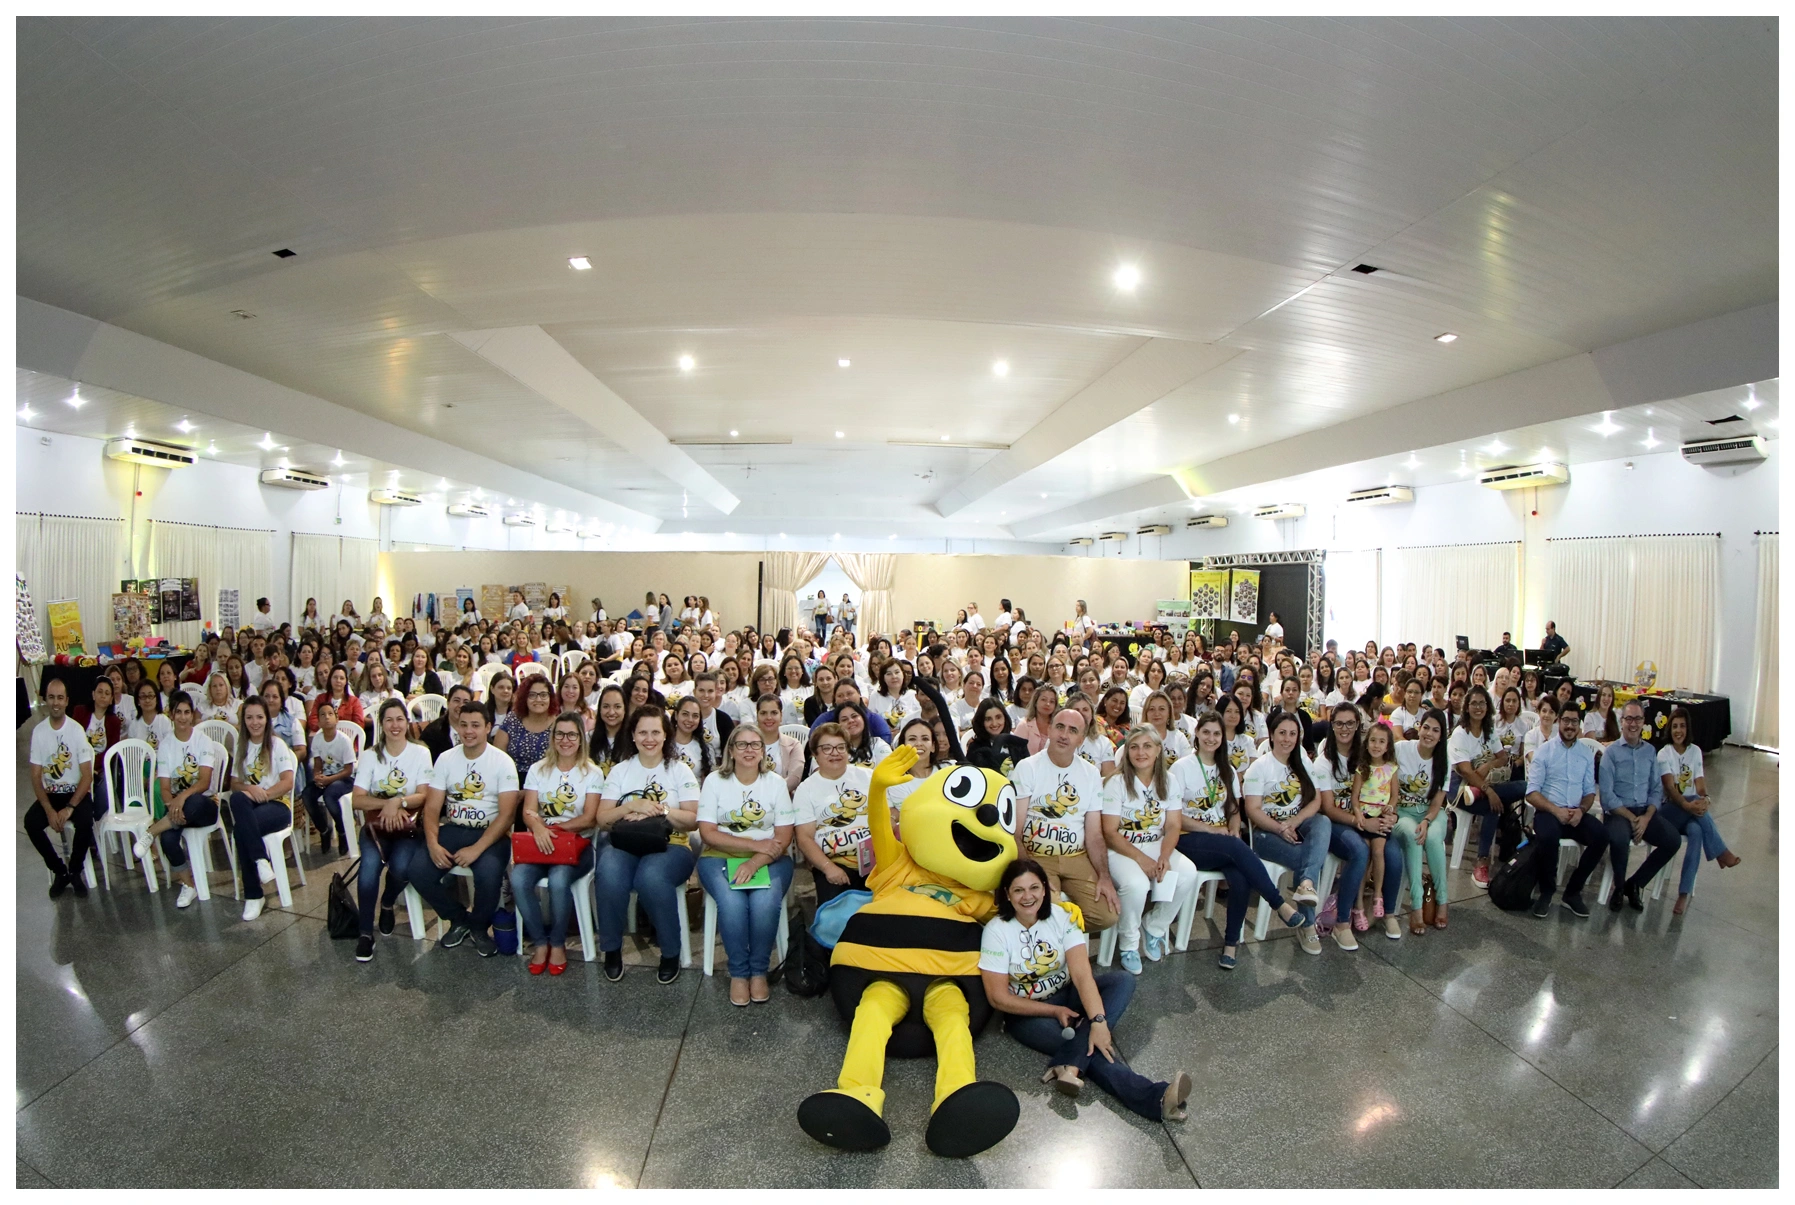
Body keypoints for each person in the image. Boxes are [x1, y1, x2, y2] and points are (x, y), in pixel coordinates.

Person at [980, 859, 1193, 1121]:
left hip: (1068, 994)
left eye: (1034, 887)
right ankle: (1156, 1099)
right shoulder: (996, 931)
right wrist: (1054, 1011)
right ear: (1006, 894)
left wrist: (1099, 1021)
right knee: (1095, 1052)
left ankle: (1070, 1065)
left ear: (1045, 889)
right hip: (1027, 1013)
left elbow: (1082, 975)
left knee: (1122, 982)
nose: (1028, 897)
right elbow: (998, 998)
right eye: (1018, 890)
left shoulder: (1061, 916)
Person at [403, 700, 521, 956]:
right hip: (454, 828)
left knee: (488, 875)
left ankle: (479, 927)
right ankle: (459, 919)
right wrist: (433, 844)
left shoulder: (502, 762)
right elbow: (432, 809)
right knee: (418, 871)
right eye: (463, 725)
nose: (468, 731)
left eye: (475, 725)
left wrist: (477, 849)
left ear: (488, 727)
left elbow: (507, 815)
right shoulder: (446, 759)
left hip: (491, 833)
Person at [594, 706, 701, 983]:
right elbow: (602, 819)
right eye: (642, 732)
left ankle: (670, 951)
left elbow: (693, 820)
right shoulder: (620, 770)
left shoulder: (680, 771)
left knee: (651, 878)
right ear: (633, 735)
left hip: (672, 844)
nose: (649, 739)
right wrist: (633, 805)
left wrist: (660, 810)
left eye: (656, 732)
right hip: (625, 842)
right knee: (608, 871)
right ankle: (611, 949)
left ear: (666, 735)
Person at [697, 726, 797, 1005]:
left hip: (771, 858)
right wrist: (755, 845)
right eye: (742, 744)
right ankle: (739, 973)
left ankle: (758, 971)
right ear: (731, 750)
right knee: (732, 903)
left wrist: (755, 862)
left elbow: (783, 838)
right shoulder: (714, 781)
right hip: (718, 856)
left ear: (764, 751)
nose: (749, 750)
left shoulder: (775, 783)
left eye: (756, 744)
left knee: (764, 903)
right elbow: (708, 833)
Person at [1009, 708, 1119, 933]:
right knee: (1044, 909)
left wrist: (1104, 877)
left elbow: (1094, 835)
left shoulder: (1090, 774)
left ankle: (1056, 934)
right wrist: (1030, 871)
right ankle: (1057, 940)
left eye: (1073, 730)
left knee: (1107, 915)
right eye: (1060, 727)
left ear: (1081, 739)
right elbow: (1015, 832)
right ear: (1049, 729)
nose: (1064, 735)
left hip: (1076, 857)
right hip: (1036, 856)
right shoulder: (1027, 767)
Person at [512, 712, 605, 975]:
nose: (565, 740)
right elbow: (529, 811)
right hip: (540, 844)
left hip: (577, 845)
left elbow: (589, 818)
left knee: (559, 880)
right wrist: (538, 828)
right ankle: (540, 942)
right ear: (552, 738)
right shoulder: (538, 769)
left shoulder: (592, 773)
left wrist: (553, 829)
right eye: (560, 734)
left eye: (572, 735)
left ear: (581, 739)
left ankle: (557, 943)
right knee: (518, 879)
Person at [1101, 726, 1198, 974]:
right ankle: (1129, 943)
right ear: (1126, 752)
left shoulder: (1169, 780)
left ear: (1158, 750)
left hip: (1155, 843)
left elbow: (1173, 825)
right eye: (1134, 747)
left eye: (1147, 746)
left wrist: (1164, 856)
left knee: (1187, 872)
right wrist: (1142, 859)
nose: (1140, 752)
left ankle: (1154, 925)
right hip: (1121, 847)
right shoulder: (1116, 782)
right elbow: (1109, 832)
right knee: (1137, 885)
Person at [348, 698, 433, 961]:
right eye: (389, 720)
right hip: (376, 826)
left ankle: (387, 902)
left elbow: (424, 794)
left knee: (401, 867)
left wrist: (398, 803)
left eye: (399, 719)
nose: (395, 725)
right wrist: (386, 805)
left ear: (407, 722)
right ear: (382, 724)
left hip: (408, 827)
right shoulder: (370, 755)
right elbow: (357, 799)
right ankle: (365, 933)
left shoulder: (420, 753)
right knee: (368, 871)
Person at [1241, 711, 1327, 955]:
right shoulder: (1259, 767)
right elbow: (1252, 810)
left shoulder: (1303, 762)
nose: (1287, 739)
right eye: (1282, 733)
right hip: (1265, 832)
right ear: (1271, 735)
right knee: (1306, 859)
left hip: (1295, 824)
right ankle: (1308, 925)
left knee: (1322, 822)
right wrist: (1280, 827)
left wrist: (1293, 821)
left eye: (1292, 734)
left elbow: (1316, 800)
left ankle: (1306, 884)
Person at [1655, 707, 1742, 915]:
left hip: (1691, 811)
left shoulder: (1695, 751)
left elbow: (1700, 783)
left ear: (1688, 729)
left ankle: (1683, 893)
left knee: (1696, 832)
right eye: (1675, 726)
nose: (1678, 731)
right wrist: (1689, 804)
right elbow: (1670, 788)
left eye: (1682, 726)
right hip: (1669, 811)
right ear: (1669, 729)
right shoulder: (1663, 753)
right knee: (1693, 801)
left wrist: (1705, 799)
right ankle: (1721, 853)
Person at [1524, 705, 1607, 919]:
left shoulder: (1585, 754)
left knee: (1601, 836)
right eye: (1566, 720)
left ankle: (1572, 892)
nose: (1570, 726)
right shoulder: (1545, 751)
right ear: (1559, 721)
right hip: (1549, 811)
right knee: (1548, 837)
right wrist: (1555, 810)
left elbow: (1589, 792)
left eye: (1574, 721)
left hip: (1575, 813)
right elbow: (1531, 793)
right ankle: (1546, 892)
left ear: (1579, 725)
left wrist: (1581, 810)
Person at [137, 694, 218, 910]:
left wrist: (181, 798)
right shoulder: (165, 745)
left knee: (194, 802)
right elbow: (164, 788)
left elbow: (204, 782)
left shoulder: (203, 741)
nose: (183, 717)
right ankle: (188, 885)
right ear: (171, 715)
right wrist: (172, 805)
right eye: (178, 712)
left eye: (187, 712)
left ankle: (151, 832)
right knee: (168, 840)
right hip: (177, 810)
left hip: (204, 805)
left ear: (192, 715)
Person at [1599, 701, 1680, 912]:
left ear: (1643, 722)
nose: (1633, 724)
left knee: (1673, 840)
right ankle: (1618, 887)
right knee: (1619, 839)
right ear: (1622, 721)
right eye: (1629, 719)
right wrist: (1631, 818)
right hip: (1618, 812)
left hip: (1645, 812)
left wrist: (1645, 818)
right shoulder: (1611, 753)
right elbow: (1607, 796)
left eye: (1637, 719)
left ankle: (1635, 884)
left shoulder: (1650, 751)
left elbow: (1656, 790)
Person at [1450, 685, 1528, 888]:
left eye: (1482, 703)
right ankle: (1481, 862)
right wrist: (1489, 791)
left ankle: (1486, 860)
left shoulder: (1489, 730)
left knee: (1521, 789)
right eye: (1474, 703)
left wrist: (1488, 766)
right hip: (1461, 789)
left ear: (1488, 706)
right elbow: (1466, 771)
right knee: (1496, 805)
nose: (1478, 707)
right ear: (1467, 707)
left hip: (1484, 785)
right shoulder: (1460, 733)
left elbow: (1502, 757)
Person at [27, 677, 98, 897]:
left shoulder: (76, 730)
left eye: (60, 698)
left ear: (66, 700)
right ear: (45, 700)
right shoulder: (39, 732)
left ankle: (75, 871)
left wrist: (69, 808)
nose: (55, 702)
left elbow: (87, 776)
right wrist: (49, 810)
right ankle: (59, 871)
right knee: (30, 822)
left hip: (75, 793)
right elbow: (36, 776)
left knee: (85, 821)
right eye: (51, 697)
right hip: (51, 794)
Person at [793, 723, 876, 903]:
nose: (835, 753)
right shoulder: (806, 789)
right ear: (815, 754)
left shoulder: (868, 777)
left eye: (840, 747)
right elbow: (804, 838)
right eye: (827, 748)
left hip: (875, 859)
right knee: (834, 906)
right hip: (834, 861)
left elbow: (889, 814)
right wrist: (828, 867)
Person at [1350, 719, 1405, 939]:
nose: (1376, 745)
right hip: (1365, 816)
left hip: (1381, 817)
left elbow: (1394, 795)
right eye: (1373, 740)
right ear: (1367, 743)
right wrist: (1357, 814)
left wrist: (1390, 808)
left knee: (1379, 851)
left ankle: (1378, 894)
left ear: (1388, 745)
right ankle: (1358, 904)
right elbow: (1355, 796)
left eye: (1381, 741)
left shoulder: (1391, 769)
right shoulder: (1362, 768)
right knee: (1363, 858)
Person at [304, 698, 359, 855]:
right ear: (318, 721)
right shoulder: (317, 739)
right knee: (307, 794)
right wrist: (317, 776)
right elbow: (318, 762)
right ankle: (324, 830)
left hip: (345, 779)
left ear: (336, 718)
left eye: (330, 714)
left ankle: (342, 831)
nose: (327, 717)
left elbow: (349, 769)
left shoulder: (344, 740)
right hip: (327, 777)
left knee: (330, 795)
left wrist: (329, 780)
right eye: (322, 715)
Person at [962, 698, 1031, 776]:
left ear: (1005, 718)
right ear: (981, 722)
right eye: (988, 719)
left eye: (998, 717)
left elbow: (1028, 773)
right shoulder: (975, 749)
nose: (994, 723)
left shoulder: (1017, 744)